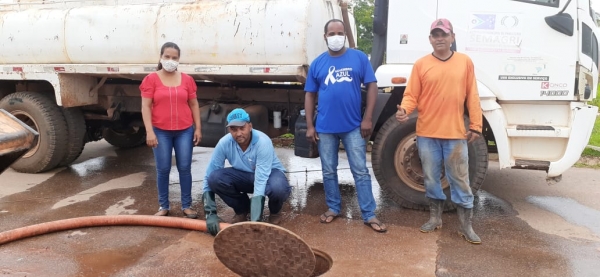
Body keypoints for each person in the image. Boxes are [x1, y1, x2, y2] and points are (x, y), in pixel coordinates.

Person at [396, 18, 483, 244]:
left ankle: (466, 227)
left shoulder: (464, 62)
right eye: (435, 35)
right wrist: (404, 109)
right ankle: (435, 219)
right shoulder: (421, 65)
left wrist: (476, 124)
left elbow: (472, 94)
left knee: (460, 180)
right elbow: (411, 95)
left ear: (452, 37)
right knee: (432, 179)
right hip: (427, 134)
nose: (440, 39)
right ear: (430, 39)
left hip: (455, 135)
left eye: (444, 34)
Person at [303, 19, 387, 233]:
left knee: (360, 171)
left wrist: (367, 118)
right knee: (329, 171)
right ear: (325, 37)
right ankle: (333, 208)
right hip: (324, 128)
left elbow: (372, 86)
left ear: (345, 36)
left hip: (353, 127)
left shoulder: (358, 58)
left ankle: (369, 214)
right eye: (331, 33)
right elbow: (310, 95)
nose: (336, 37)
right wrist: (310, 126)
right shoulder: (318, 63)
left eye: (340, 32)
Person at [202, 108, 291, 236]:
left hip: (269, 175)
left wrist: (255, 222)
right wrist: (210, 213)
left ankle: (275, 211)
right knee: (214, 178)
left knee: (278, 187)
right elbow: (208, 175)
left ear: (250, 126)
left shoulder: (263, 141)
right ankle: (242, 209)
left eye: (242, 128)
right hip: (244, 176)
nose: (238, 133)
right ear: (229, 130)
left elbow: (260, 180)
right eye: (234, 129)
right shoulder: (224, 143)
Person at [140, 42, 202, 219]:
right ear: (161, 57)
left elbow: (194, 104)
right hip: (160, 131)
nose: (170, 60)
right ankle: (163, 206)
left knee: (184, 168)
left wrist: (198, 128)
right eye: (167, 56)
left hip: (184, 130)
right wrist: (149, 132)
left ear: (179, 59)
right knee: (163, 169)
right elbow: (145, 107)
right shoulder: (150, 79)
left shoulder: (187, 80)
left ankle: (187, 205)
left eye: (174, 57)